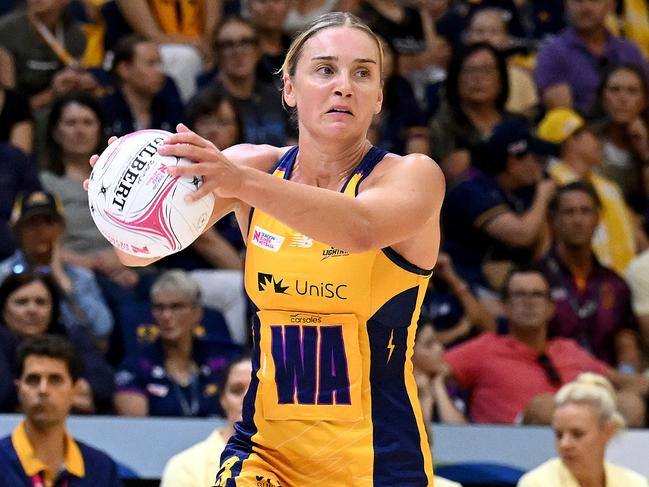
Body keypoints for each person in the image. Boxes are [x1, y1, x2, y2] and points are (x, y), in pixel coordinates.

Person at [91, 11, 445, 486]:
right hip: (265, 457)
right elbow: (138, 255)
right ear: (289, 89)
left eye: (362, 72)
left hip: (378, 461)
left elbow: (360, 228)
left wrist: (243, 183)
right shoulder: (251, 168)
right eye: (324, 69)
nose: (344, 85)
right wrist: (117, 201)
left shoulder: (412, 176)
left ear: (379, 96)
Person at [443, 267, 647, 425]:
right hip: (510, 446)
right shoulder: (484, 348)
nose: (529, 302)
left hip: (578, 437)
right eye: (519, 295)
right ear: (504, 307)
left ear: (551, 308)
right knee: (545, 406)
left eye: (536, 295)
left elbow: (624, 382)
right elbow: (429, 368)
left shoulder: (568, 349)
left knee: (630, 404)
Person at [538, 182, 643, 370]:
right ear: (553, 220)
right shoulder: (535, 277)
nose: (578, 220)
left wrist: (627, 373)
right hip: (550, 380)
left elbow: (626, 344)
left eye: (585, 211)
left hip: (605, 384)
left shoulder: (615, 283)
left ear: (597, 219)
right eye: (569, 212)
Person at [41, 91, 139, 289]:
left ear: (100, 129)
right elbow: (41, 244)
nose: (80, 130)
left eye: (88, 122)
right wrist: (95, 265)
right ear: (55, 131)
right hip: (74, 271)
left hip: (131, 265)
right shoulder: (44, 182)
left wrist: (122, 258)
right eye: (70, 123)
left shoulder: (122, 176)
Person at [114, 270, 241, 417]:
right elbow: (134, 428)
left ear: (197, 313)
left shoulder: (222, 361)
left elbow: (242, 414)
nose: (166, 316)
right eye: (159, 308)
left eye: (176, 307)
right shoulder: (135, 366)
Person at [0, 335, 123, 487]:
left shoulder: (101, 469)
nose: (43, 390)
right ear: (18, 390)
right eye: (33, 380)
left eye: (55, 380)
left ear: (75, 391)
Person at [537, 107, 640, 274]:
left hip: (624, 284)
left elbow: (636, 233)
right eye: (591, 134)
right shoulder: (552, 187)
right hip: (584, 286)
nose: (597, 142)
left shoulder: (607, 186)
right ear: (571, 140)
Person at [0, 190, 114, 341]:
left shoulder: (80, 276)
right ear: (17, 230)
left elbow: (101, 328)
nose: (40, 230)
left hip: (67, 351)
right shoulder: (3, 274)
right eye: (31, 223)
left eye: (48, 222)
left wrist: (62, 279)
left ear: (61, 228)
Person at [0, 270, 114, 414]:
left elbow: (102, 383)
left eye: (41, 302)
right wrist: (63, 397)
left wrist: (35, 399)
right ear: (3, 308)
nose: (32, 309)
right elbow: (3, 393)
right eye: (21, 302)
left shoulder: (73, 336)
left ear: (53, 309)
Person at [518, 373, 649, 487]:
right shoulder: (536, 483)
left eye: (577, 434)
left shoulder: (635, 483)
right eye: (559, 435)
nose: (565, 444)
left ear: (608, 431)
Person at [534, 0, 648, 113]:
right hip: (581, 128)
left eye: (595, 1)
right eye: (578, 1)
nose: (586, 8)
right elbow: (563, 117)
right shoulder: (552, 54)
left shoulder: (630, 52)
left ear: (612, 6)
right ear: (566, 4)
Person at [159, 354, 253, 487]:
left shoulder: (291, 461)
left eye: (257, 389)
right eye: (237, 390)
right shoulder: (185, 466)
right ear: (223, 400)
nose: (248, 399)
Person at [589, 64, 649, 213]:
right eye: (614, 90)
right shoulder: (586, 138)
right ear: (603, 98)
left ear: (644, 101)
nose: (623, 99)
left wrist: (645, 153)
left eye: (632, 91)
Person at [101, 34, 185, 138]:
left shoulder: (170, 107)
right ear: (124, 69)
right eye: (151, 63)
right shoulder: (104, 113)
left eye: (160, 63)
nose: (160, 71)